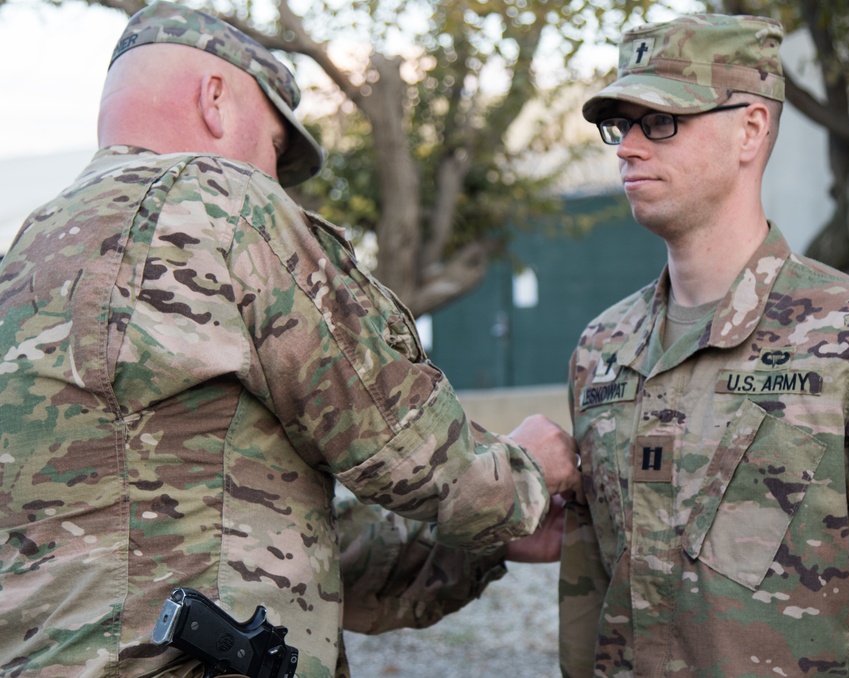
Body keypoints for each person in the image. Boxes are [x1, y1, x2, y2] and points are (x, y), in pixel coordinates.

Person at [0, 2, 580, 676]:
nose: (273, 177)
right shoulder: (224, 203)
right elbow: (414, 453)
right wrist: (528, 471)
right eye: (275, 148)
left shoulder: (23, 262)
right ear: (215, 99)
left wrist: (486, 547)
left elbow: (265, 539)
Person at [558, 12, 849, 677]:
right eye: (621, 126)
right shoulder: (603, 350)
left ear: (751, 128)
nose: (627, 148)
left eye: (661, 122)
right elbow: (590, 593)